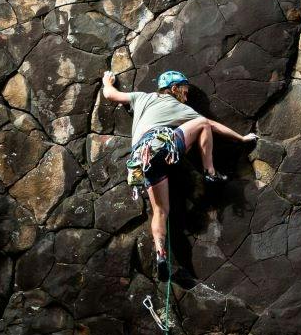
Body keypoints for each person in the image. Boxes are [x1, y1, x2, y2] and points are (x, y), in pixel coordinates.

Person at [100, 69, 256, 278]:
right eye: (184, 90)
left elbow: (110, 95)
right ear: (173, 88)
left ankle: (161, 254)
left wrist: (107, 81)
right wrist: (241, 138)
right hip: (161, 145)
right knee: (202, 123)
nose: (186, 95)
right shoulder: (177, 105)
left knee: (161, 211)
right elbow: (212, 125)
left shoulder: (142, 98)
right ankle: (210, 172)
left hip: (141, 160)